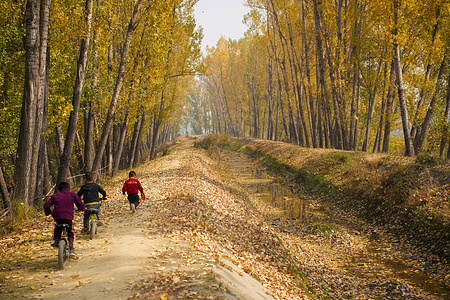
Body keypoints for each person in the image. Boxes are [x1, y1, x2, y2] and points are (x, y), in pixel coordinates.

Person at [44, 181, 86, 257]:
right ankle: (72, 249)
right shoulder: (73, 194)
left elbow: (46, 205)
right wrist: (83, 208)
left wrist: (48, 212)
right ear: (69, 188)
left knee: (57, 226)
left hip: (57, 216)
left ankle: (56, 241)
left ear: (59, 189)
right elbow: (80, 204)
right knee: (70, 232)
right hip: (68, 216)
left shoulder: (55, 196)